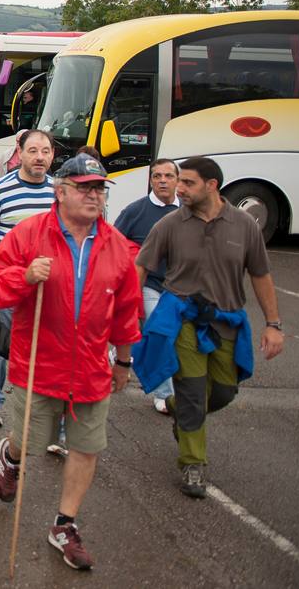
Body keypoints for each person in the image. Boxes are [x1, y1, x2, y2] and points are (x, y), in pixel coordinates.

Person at [0, 152, 143, 572]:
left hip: (91, 368)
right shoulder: (30, 234)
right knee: (30, 441)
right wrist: (24, 276)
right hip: (39, 363)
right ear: (60, 191)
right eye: (84, 188)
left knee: (86, 447)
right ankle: (12, 457)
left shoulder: (117, 246)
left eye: (99, 189)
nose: (94, 196)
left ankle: (65, 525)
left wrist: (124, 361)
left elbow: (127, 308)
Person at [132, 156, 283, 500]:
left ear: (212, 186)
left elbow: (260, 274)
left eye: (188, 183)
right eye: (179, 181)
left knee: (224, 392)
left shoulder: (244, 226)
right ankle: (193, 463)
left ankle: (177, 408)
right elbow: (141, 267)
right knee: (193, 390)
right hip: (182, 317)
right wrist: (126, 312)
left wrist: (273, 324)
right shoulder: (170, 224)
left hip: (227, 319)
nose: (179, 188)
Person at [0, 128, 57, 427]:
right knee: (0, 346)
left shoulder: (59, 193)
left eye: (45, 151)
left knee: (47, 350)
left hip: (46, 288)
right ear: (20, 153)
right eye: (33, 151)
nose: (39, 157)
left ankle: (46, 415)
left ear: (53, 155)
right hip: (5, 285)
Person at [112, 158, 181, 415]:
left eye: (168, 176)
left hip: (180, 289)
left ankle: (119, 352)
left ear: (177, 180)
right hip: (148, 285)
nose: (162, 181)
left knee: (177, 338)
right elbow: (113, 242)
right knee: (161, 335)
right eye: (156, 176)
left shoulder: (188, 211)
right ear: (150, 180)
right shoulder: (136, 211)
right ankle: (165, 394)